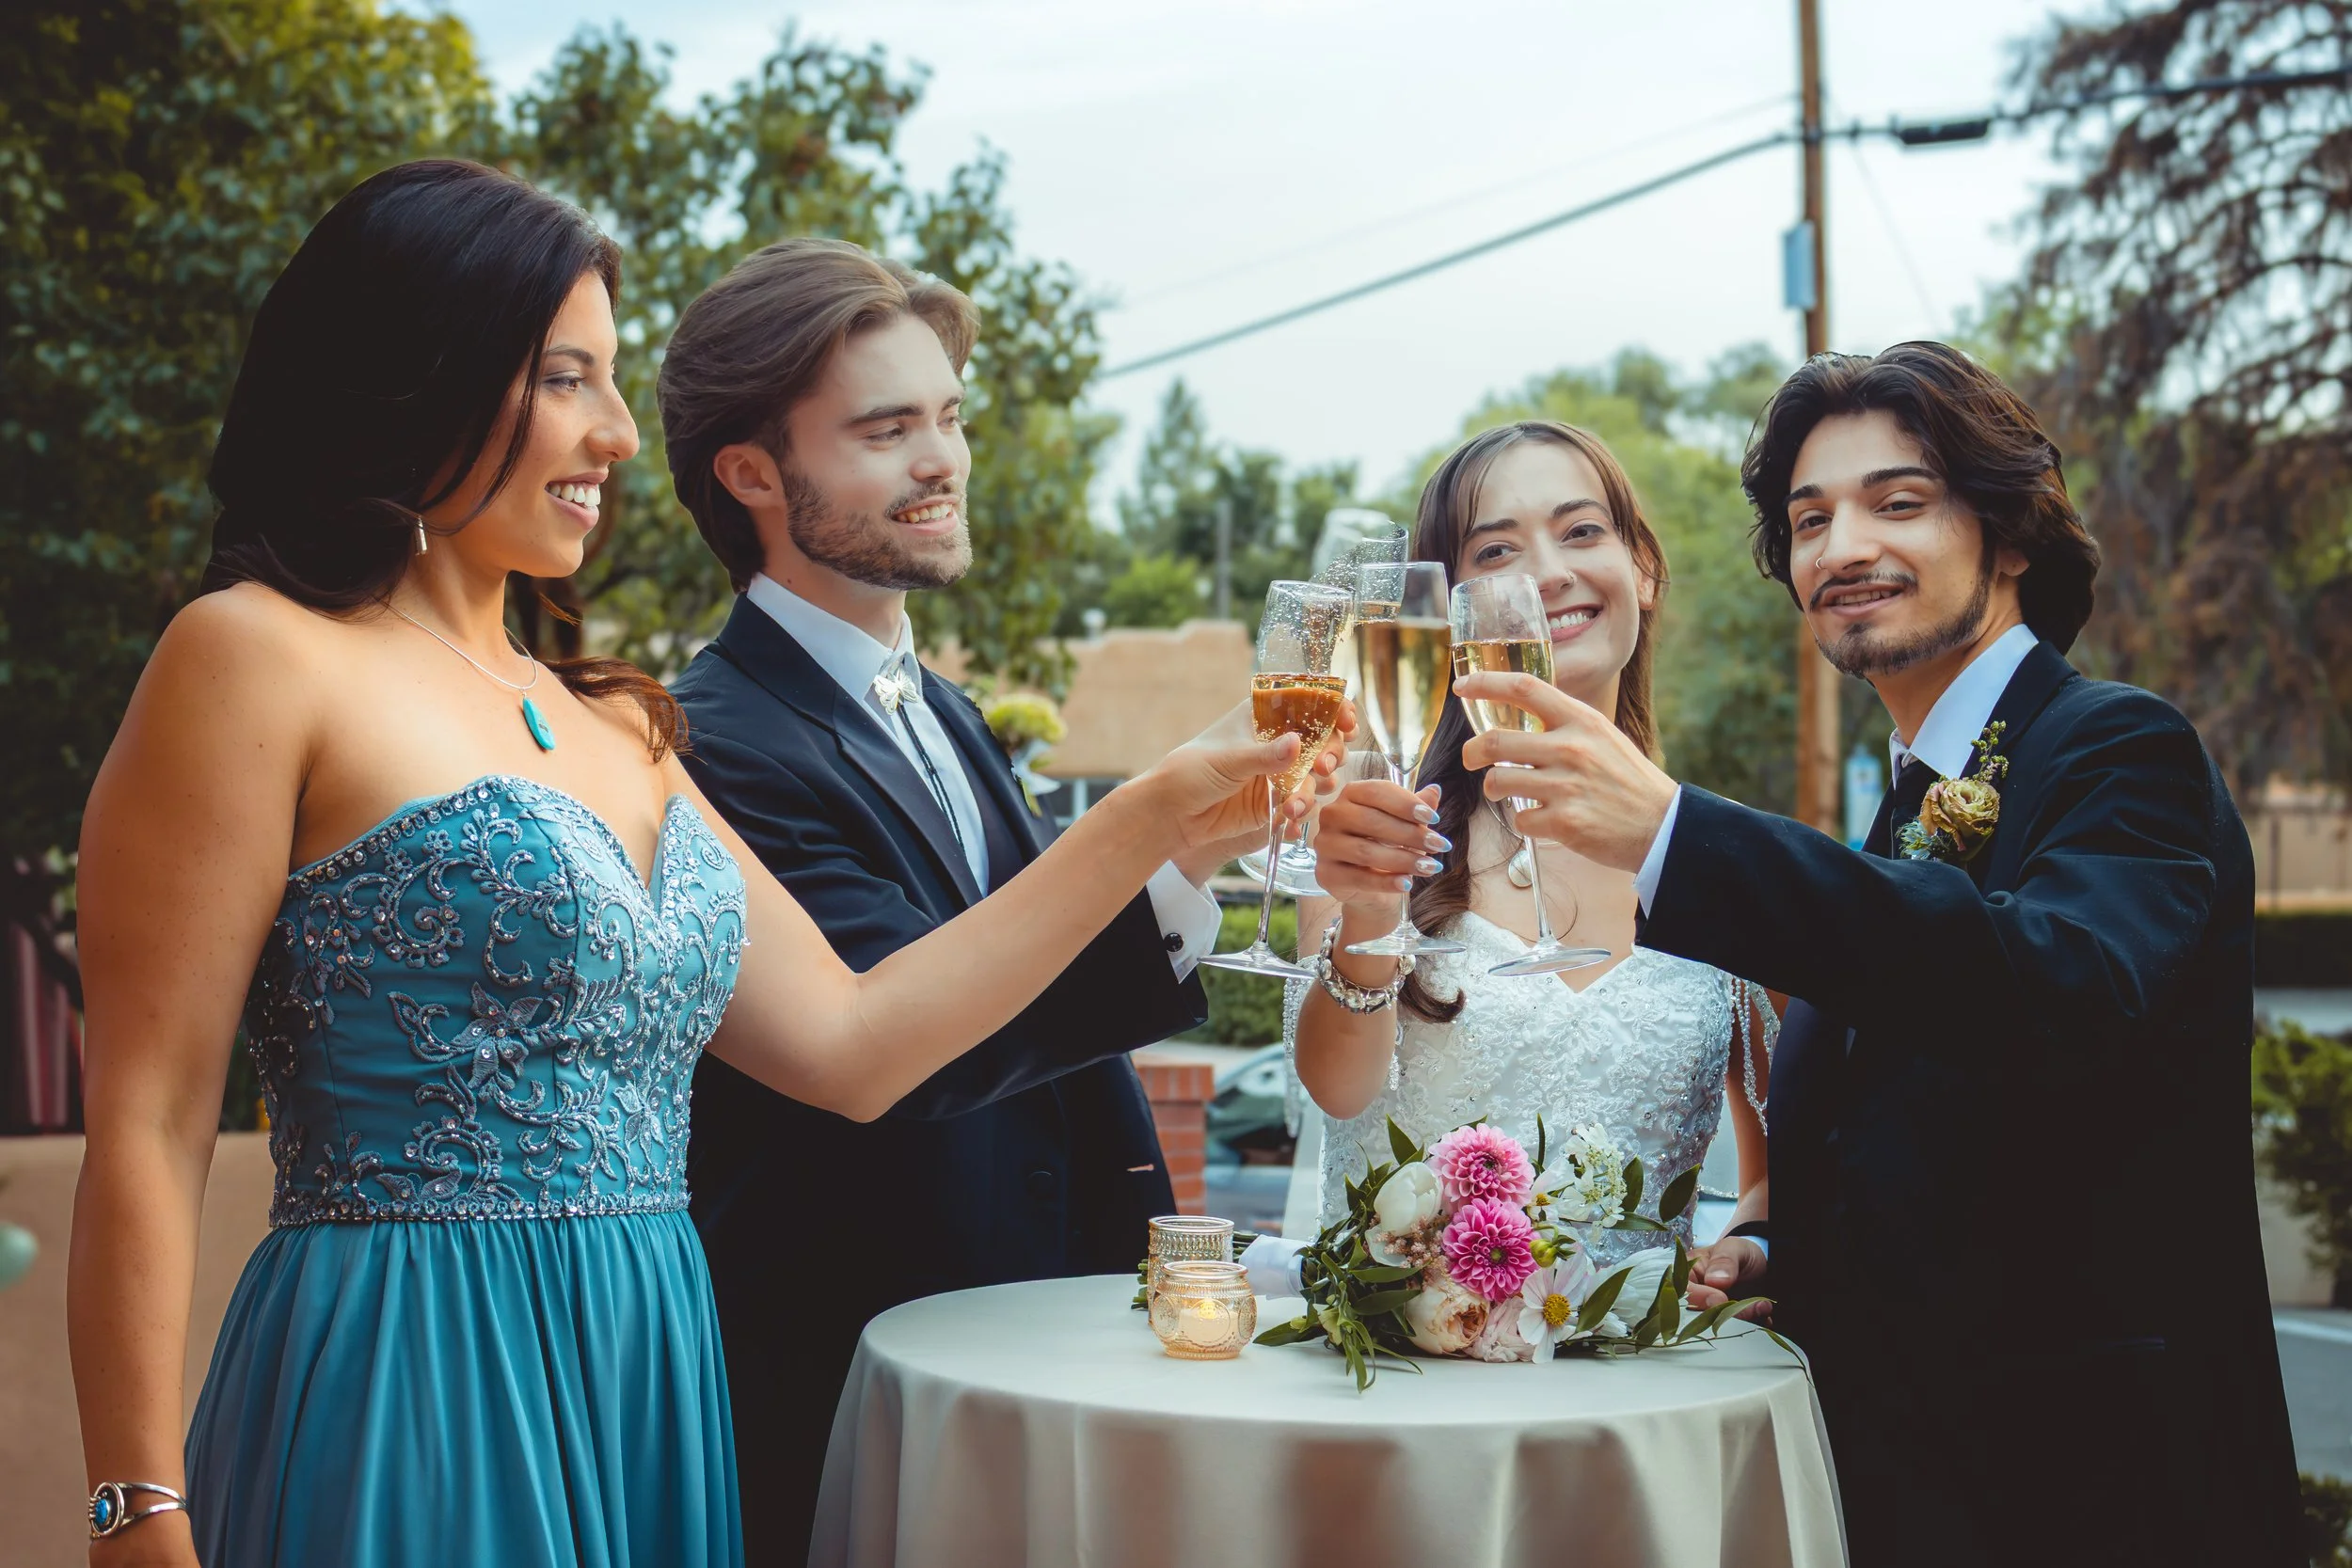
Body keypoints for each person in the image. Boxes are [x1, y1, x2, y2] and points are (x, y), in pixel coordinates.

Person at [66, 160, 1315, 1568]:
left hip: (657, 1372)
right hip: (416, 1361)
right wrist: (137, 1504)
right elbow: (153, 1121)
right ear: (420, 374)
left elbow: (857, 1039)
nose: (611, 430)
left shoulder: (623, 721)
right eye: (564, 378)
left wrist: (1155, 820)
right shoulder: (252, 652)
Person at [1451, 343, 2301, 1565]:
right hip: (1914, 1484)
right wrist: (1786, 1250)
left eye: (1897, 502)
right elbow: (1939, 1128)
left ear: (2010, 537)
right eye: (1811, 518)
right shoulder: (1902, 817)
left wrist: (1679, 835)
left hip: (2104, 1490)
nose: (1844, 544)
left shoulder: (2121, 749)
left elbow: (2058, 986)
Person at [655, 237, 1299, 1564]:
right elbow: (906, 1029)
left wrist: (1192, 854)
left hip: (1034, 1359)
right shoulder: (708, 739)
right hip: (857, 1379)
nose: (942, 458)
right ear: (753, 473)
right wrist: (1145, 816)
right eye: (888, 428)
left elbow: (1027, 968)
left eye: (948, 417)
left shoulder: (939, 704)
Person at [1293, 421, 1772, 1290]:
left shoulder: (1727, 854)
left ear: (1646, 571)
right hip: (1405, 1381)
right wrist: (1370, 911)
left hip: (1639, 1399)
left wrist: (1752, 1242)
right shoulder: (1376, 821)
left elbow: (1782, 1164)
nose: (1549, 572)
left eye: (1582, 530)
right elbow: (1339, 1089)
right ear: (1446, 612)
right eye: (1497, 550)